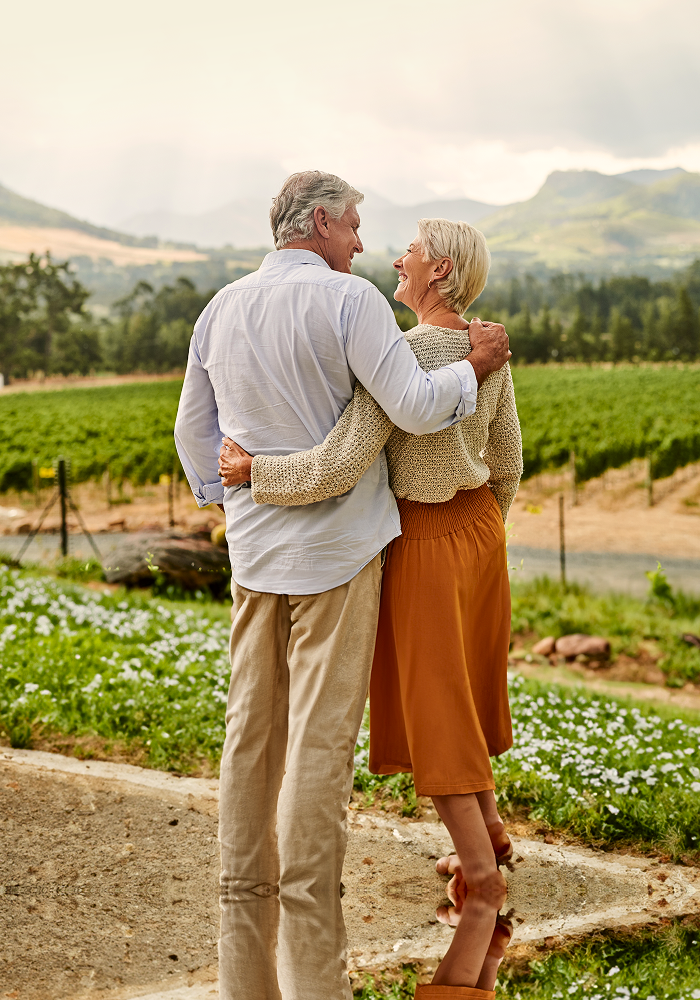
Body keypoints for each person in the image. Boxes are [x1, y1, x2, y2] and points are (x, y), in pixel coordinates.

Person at [174, 171, 511, 1000]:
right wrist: (473, 367)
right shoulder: (353, 303)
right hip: (342, 551)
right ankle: (307, 889)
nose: (362, 241)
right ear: (320, 222)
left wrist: (233, 496)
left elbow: (193, 428)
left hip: (256, 553)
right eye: (355, 224)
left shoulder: (220, 306)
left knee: (251, 722)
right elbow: (416, 411)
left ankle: (243, 880)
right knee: (321, 737)